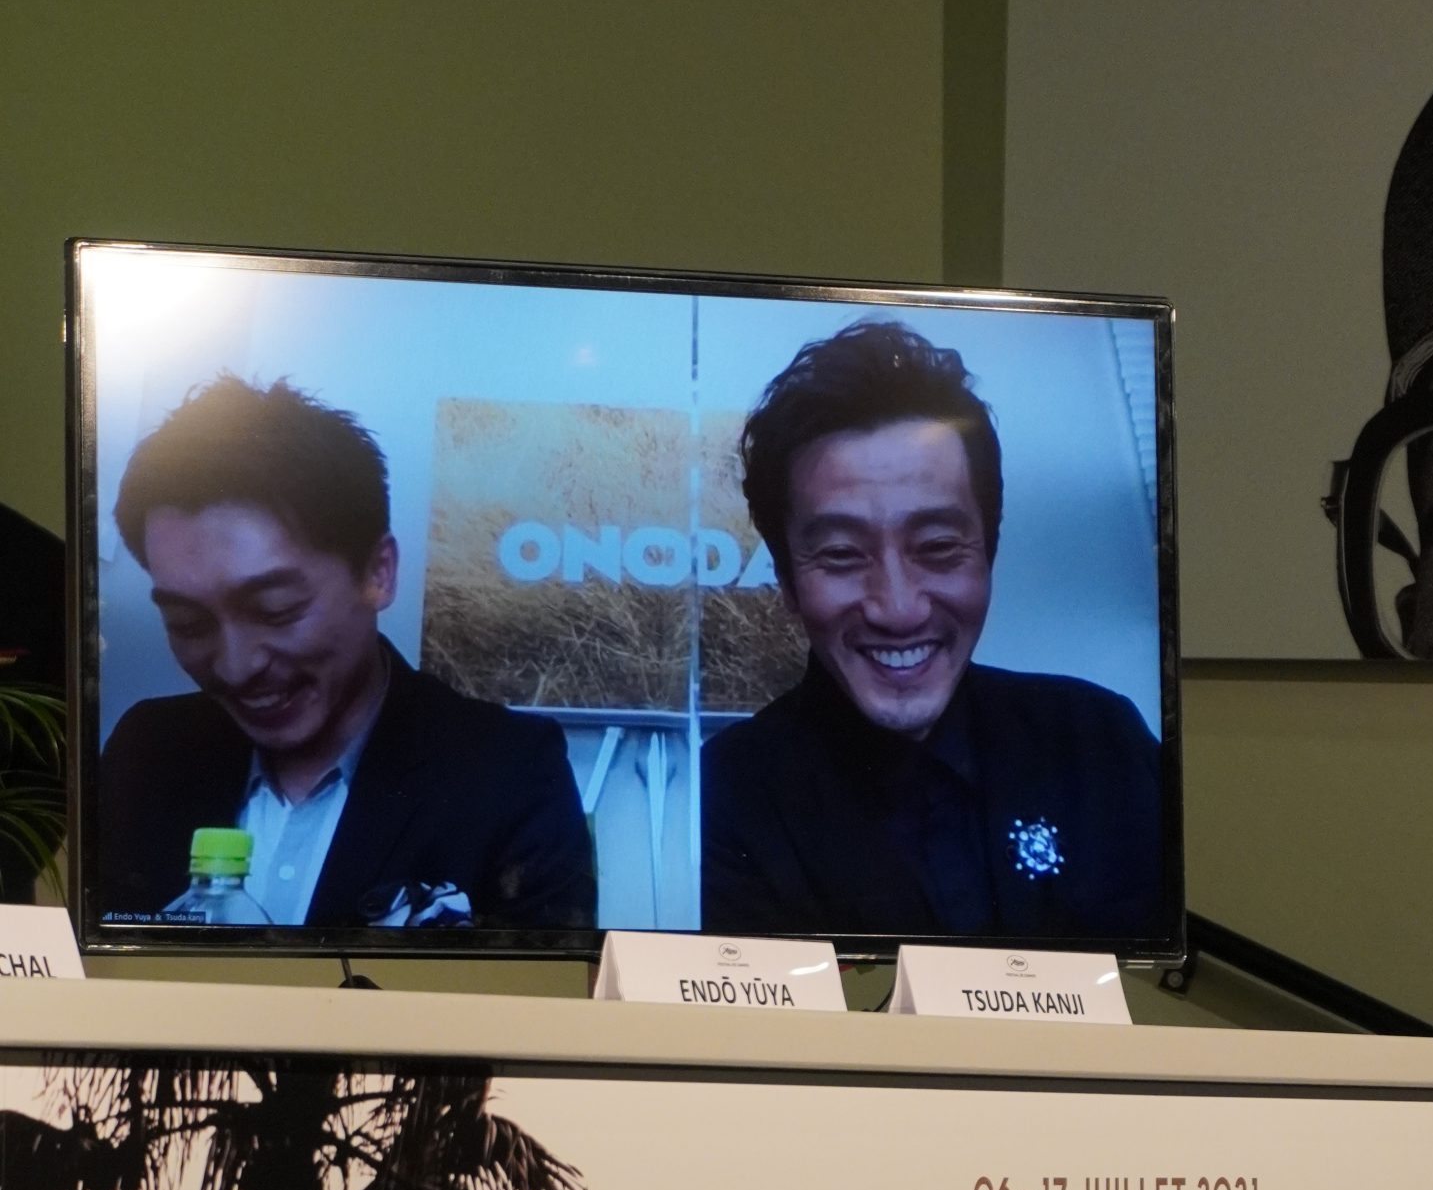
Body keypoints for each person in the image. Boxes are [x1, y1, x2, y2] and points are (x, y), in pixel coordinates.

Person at [700, 319, 1164, 938]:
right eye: (841, 554)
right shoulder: (725, 797)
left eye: (939, 546)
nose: (898, 609)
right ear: (786, 578)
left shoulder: (1100, 745)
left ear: (988, 552)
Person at [100, 374, 596, 930]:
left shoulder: (508, 772)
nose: (237, 666)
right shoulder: (146, 754)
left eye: (276, 609)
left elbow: (543, 982)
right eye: (188, 623)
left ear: (377, 574)